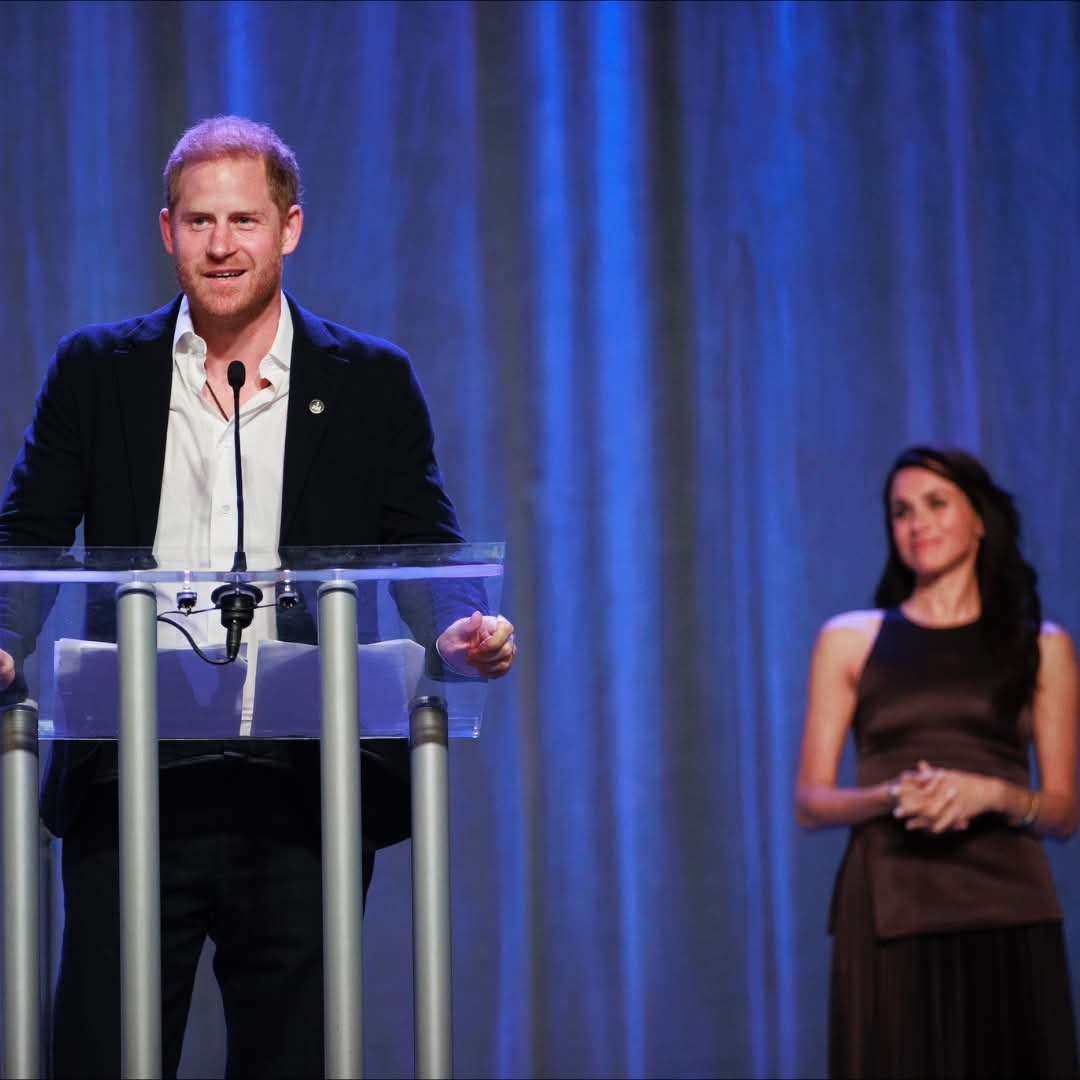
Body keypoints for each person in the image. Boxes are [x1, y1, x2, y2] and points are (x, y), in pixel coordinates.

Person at [0, 115, 516, 1078]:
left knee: (295, 1055)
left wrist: (460, 631)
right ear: (167, 231)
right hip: (133, 770)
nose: (222, 245)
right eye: (200, 222)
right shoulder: (96, 370)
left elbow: (421, 545)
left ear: (290, 228)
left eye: (244, 219)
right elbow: (24, 535)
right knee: (103, 1050)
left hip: (302, 782)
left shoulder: (369, 380)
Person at [795, 445, 1079, 1080]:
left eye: (934, 504)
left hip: (1008, 908)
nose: (916, 522)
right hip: (890, 906)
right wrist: (892, 793)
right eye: (900, 511)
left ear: (978, 518)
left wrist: (992, 794)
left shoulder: (1043, 646)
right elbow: (812, 801)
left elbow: (1061, 812)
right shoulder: (851, 638)